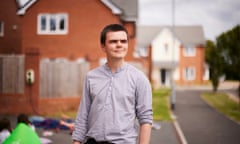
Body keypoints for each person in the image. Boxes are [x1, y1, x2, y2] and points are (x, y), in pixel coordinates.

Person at [72, 24, 153, 144]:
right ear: (103, 46)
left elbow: (145, 119)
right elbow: (83, 114)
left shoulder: (139, 79)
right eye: (113, 41)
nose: (119, 44)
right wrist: (76, 142)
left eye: (123, 41)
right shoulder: (91, 77)